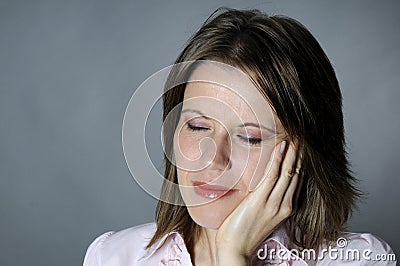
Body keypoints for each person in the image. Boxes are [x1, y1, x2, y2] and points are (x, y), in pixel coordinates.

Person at [83, 8, 396, 265]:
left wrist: (234, 254)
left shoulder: (360, 259)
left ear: (304, 153)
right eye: (198, 126)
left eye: (250, 137)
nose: (212, 157)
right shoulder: (112, 256)